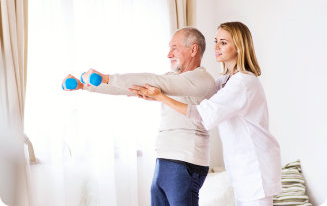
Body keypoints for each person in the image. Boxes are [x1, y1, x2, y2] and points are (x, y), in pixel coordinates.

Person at [130, 22, 282, 206]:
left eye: (223, 42)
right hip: (242, 171)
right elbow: (198, 96)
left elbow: (202, 114)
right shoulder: (224, 82)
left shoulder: (243, 82)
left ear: (239, 47)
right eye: (216, 41)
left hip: (255, 169)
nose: (216, 47)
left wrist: (161, 97)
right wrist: (157, 95)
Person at [62, 27, 217, 206]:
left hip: (186, 160)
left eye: (174, 47)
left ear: (193, 49)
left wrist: (106, 77)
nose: (169, 54)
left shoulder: (201, 79)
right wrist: (85, 86)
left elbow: (155, 81)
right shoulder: (171, 78)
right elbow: (129, 88)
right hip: (165, 159)